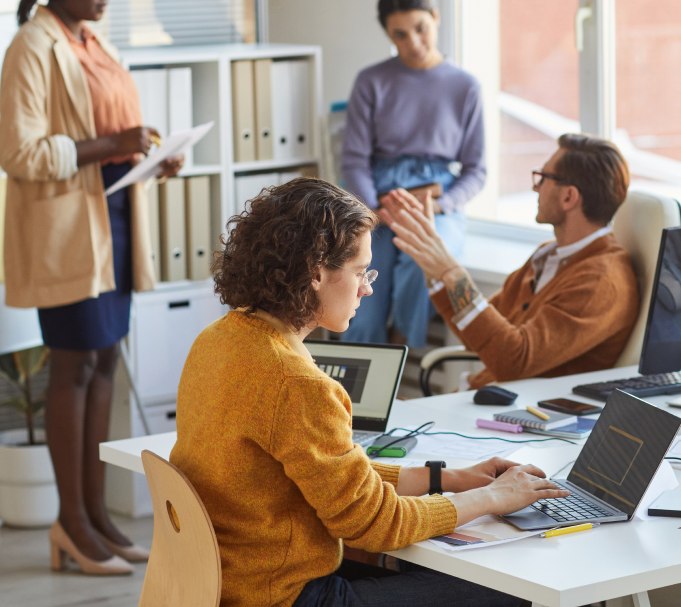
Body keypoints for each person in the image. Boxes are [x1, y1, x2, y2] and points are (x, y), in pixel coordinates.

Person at [170, 177, 568, 607]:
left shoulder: (217, 339)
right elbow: (377, 524)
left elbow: (332, 480)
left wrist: (447, 478)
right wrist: (493, 496)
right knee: (513, 587)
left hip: (226, 583)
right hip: (285, 597)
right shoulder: (296, 383)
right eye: (361, 272)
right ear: (317, 272)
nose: (368, 288)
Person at [0, 0, 183, 575]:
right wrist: (113, 146)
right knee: (74, 364)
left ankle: (99, 516)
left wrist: (149, 152)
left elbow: (110, 129)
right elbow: (19, 153)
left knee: (106, 360)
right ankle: (71, 523)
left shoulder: (91, 37)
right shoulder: (31, 45)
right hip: (68, 225)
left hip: (115, 213)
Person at [380, 134, 639, 390]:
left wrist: (451, 272)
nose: (535, 187)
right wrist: (433, 268)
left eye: (543, 178)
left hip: (522, 418)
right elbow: (477, 337)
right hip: (483, 401)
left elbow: (514, 361)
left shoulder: (600, 282)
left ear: (569, 197)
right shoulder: (548, 256)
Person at [341, 0, 485, 348]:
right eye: (400, 35)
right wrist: (373, 210)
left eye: (421, 28)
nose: (414, 42)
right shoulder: (371, 81)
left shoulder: (465, 86)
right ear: (388, 35)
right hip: (377, 195)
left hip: (436, 197)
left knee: (420, 267)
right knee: (354, 275)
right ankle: (359, 378)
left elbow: (476, 170)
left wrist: (438, 206)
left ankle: (398, 352)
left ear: (436, 18)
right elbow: (355, 159)